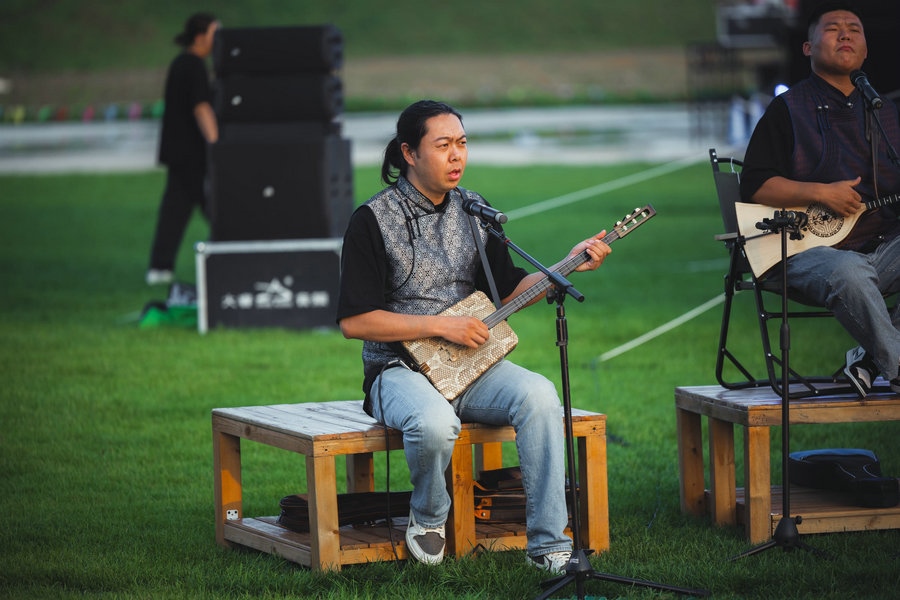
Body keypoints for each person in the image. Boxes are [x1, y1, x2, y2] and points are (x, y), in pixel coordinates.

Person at [336, 100, 611, 572]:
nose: (456, 155)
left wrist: (562, 268)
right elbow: (355, 321)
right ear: (409, 153)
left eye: (462, 143)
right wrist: (439, 325)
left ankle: (549, 545)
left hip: (473, 366)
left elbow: (509, 289)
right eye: (442, 145)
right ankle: (429, 515)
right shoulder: (373, 219)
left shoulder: (474, 211)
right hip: (396, 370)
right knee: (434, 423)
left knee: (540, 396)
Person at [740, 1, 900, 397]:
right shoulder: (786, 109)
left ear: (865, 49)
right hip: (801, 251)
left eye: (854, 29)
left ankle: (868, 360)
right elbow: (754, 184)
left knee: (856, 269)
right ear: (808, 47)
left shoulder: (883, 112)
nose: (845, 34)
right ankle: (896, 366)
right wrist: (820, 192)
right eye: (832, 28)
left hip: (878, 247)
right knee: (849, 272)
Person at [146, 13, 220, 285]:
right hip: (191, 155)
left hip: (180, 153)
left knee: (177, 211)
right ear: (200, 38)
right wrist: (216, 144)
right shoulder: (193, 66)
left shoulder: (182, 63)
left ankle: (160, 267)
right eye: (215, 34)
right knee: (216, 208)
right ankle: (233, 254)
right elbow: (201, 108)